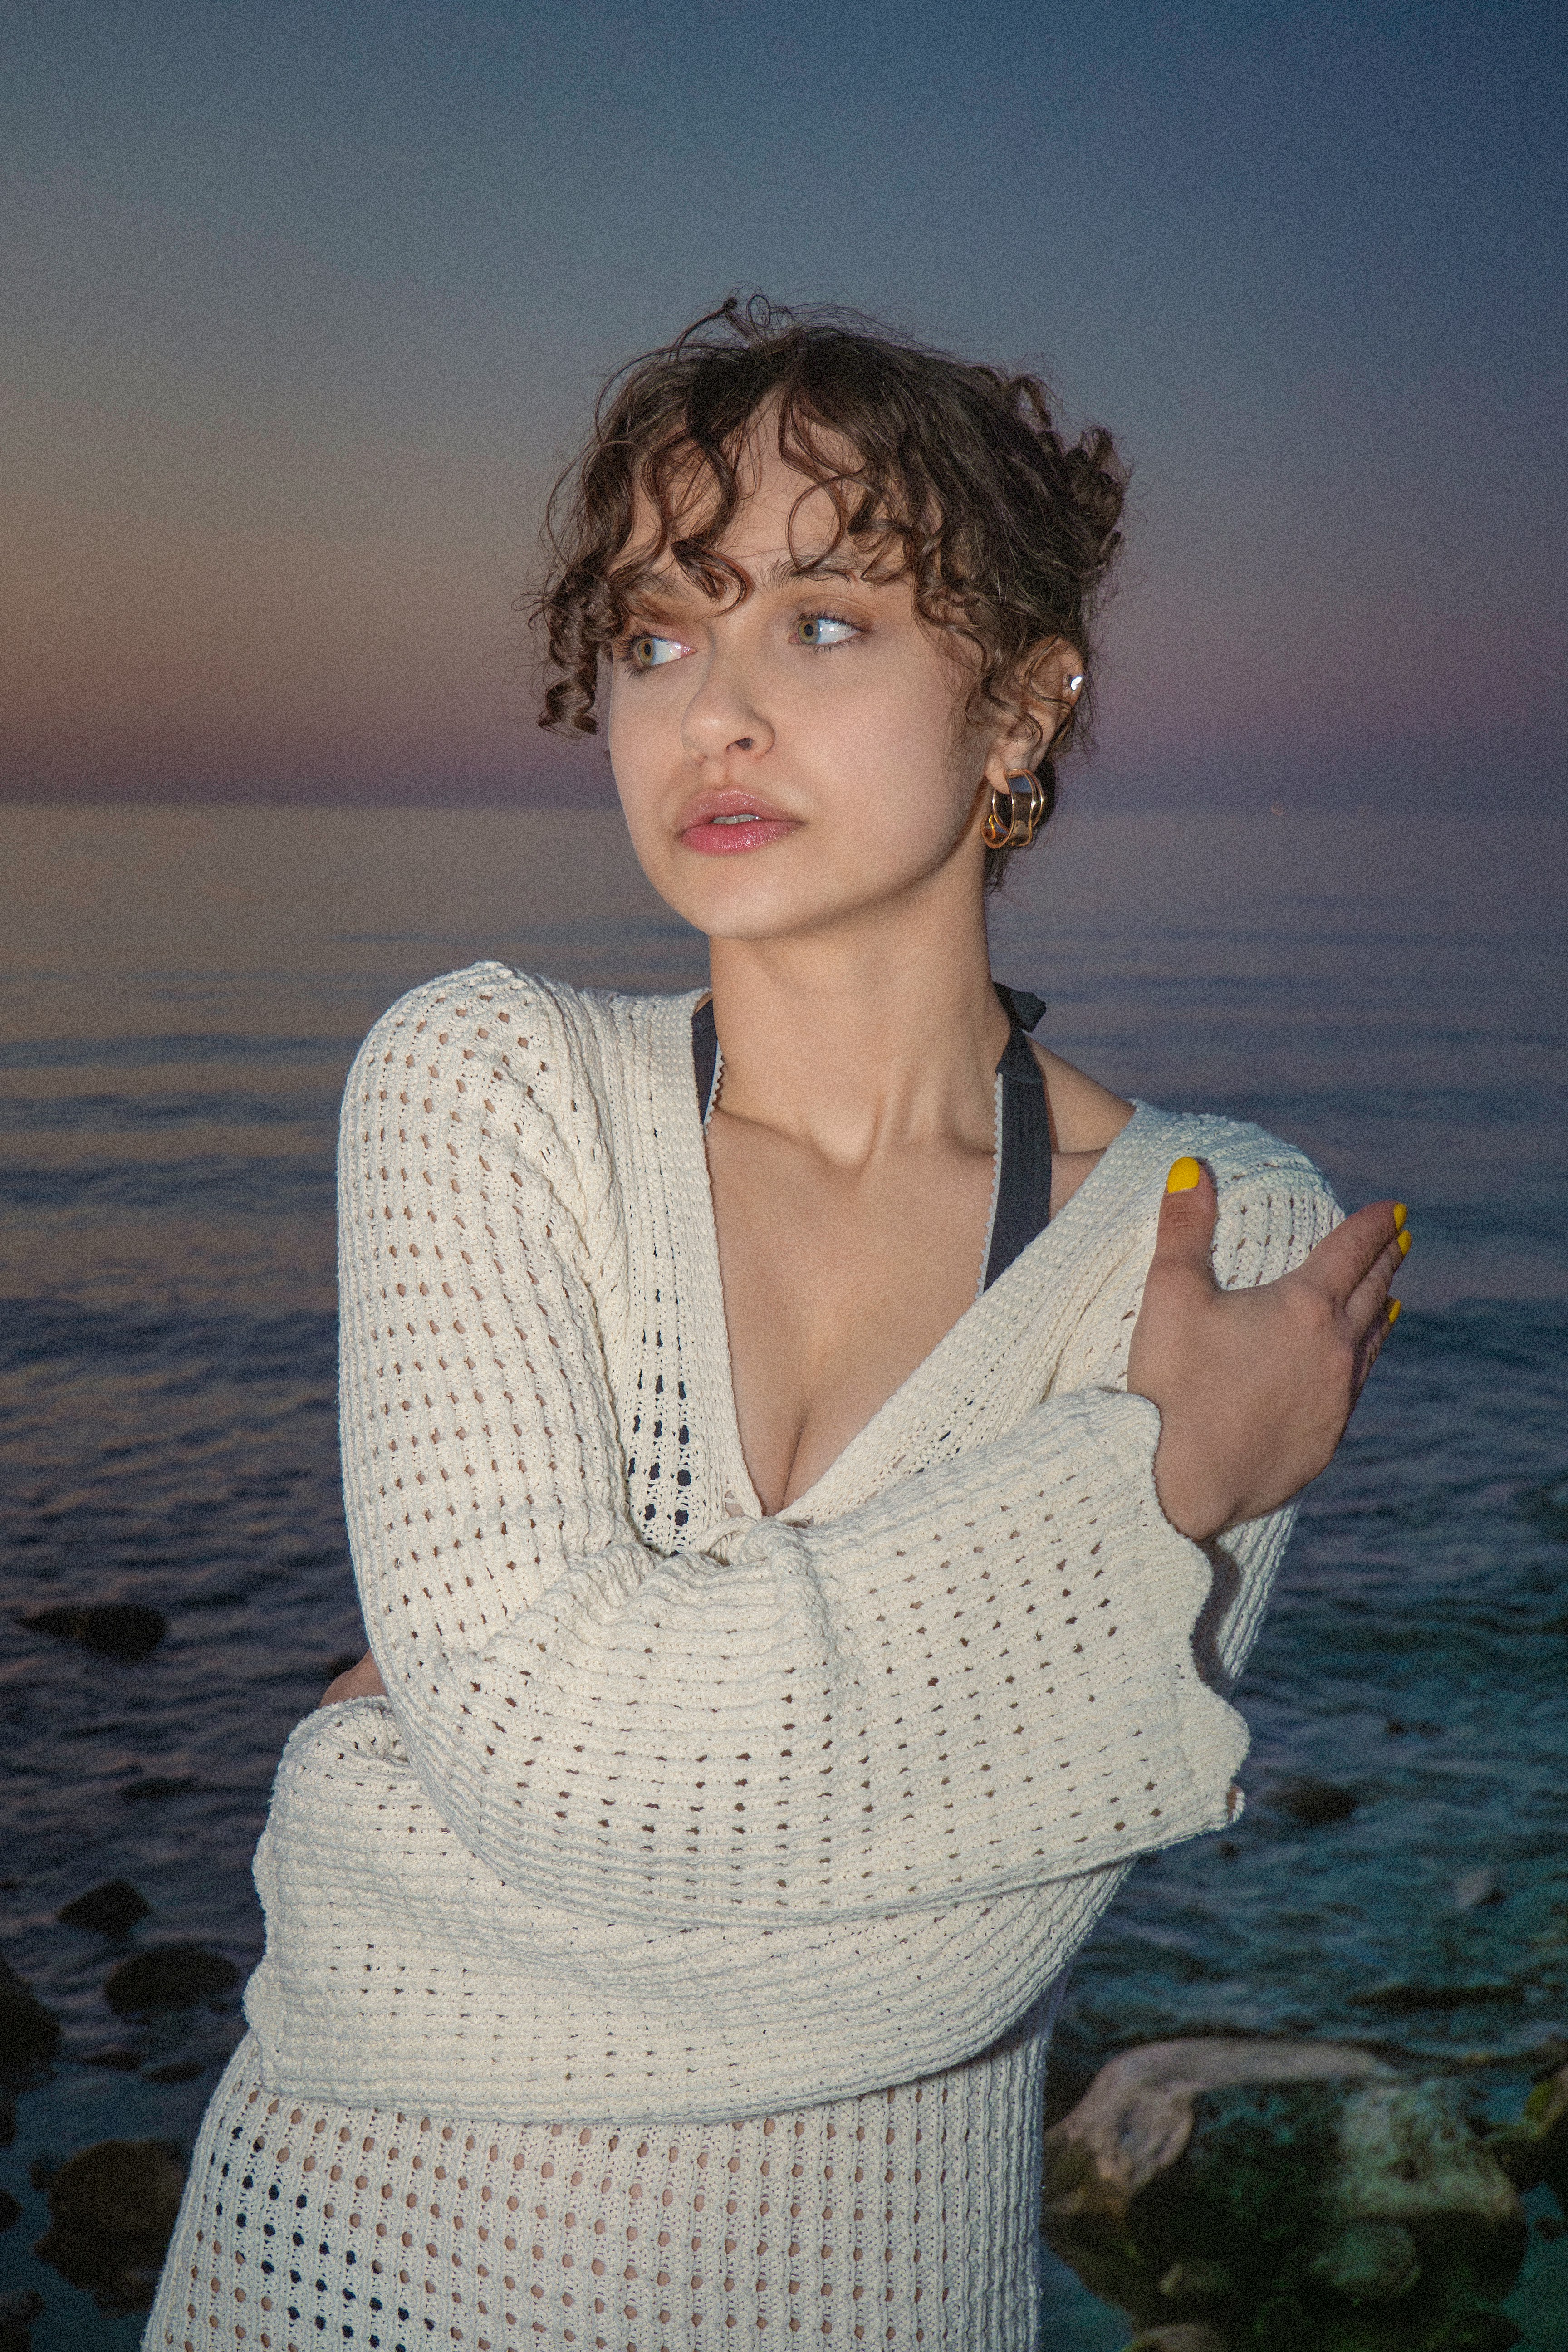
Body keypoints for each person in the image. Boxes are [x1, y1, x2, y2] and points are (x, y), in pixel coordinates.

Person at [146, 298, 1407, 2352]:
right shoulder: (487, 1087)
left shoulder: (1212, 1234)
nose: (711, 711)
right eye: (660, 634)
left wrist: (402, 1810)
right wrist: (1155, 1478)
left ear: (1022, 700)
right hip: (334, 2279)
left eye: (821, 621)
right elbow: (577, 1770)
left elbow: (955, 1970)